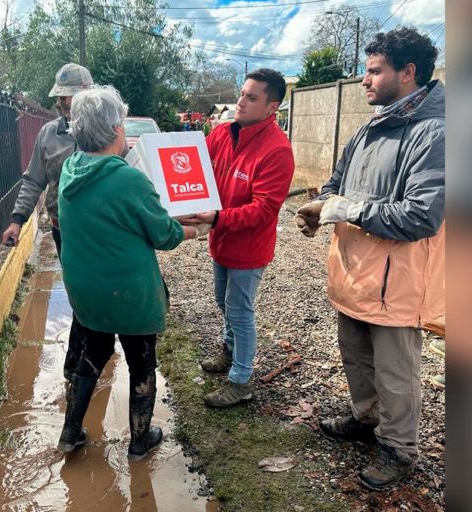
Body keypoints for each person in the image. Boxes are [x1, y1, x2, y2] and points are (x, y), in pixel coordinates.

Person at [294, 27, 444, 491]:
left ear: (409, 72)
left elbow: (421, 216)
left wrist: (342, 208)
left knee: (396, 374)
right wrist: (320, 207)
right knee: (356, 358)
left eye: (375, 71)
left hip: (397, 283)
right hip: (354, 276)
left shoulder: (435, 133)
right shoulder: (368, 128)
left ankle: (399, 449)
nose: (364, 80)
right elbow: (335, 183)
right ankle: (366, 418)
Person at [55, 85, 211, 460]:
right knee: (141, 362)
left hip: (87, 292)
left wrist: (163, 216)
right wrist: (198, 229)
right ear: (114, 131)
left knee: (93, 353)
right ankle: (140, 441)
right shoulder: (129, 179)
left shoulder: (70, 171)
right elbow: (163, 235)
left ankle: (70, 432)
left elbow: (116, 218)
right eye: (122, 123)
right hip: (129, 294)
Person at [182, 69, 295, 408]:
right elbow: (197, 172)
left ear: (272, 106)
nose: (240, 102)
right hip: (221, 239)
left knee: (239, 310)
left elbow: (263, 210)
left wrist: (217, 218)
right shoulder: (220, 134)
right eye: (242, 94)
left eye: (251, 97)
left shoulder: (277, 150)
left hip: (248, 247)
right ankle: (229, 350)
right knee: (223, 301)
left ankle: (241, 380)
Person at [0, 63, 95, 381]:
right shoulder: (48, 135)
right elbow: (32, 181)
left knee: (95, 291)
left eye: (73, 97)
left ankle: (81, 357)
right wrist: (17, 220)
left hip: (101, 229)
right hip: (63, 229)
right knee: (78, 291)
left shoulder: (107, 132)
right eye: (63, 98)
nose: (67, 103)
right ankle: (80, 359)